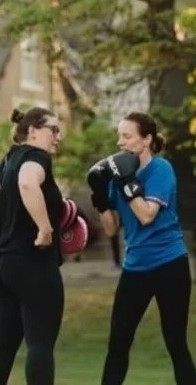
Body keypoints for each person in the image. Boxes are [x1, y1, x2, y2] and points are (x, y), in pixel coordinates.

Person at [91, 112, 196, 384]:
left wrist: (127, 183)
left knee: (175, 341)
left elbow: (147, 215)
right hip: (135, 267)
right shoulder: (118, 176)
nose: (120, 142)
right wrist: (101, 200)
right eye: (119, 136)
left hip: (169, 264)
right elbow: (113, 229)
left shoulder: (161, 169)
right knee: (118, 343)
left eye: (127, 136)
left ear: (147, 139)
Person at [0, 107, 64, 385]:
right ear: (33, 131)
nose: (58, 137)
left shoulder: (7, 161)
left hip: (1, 262)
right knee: (40, 343)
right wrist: (44, 227)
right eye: (53, 129)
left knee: (3, 344)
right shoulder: (35, 157)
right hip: (31, 261)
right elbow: (28, 184)